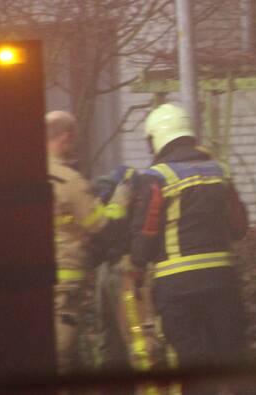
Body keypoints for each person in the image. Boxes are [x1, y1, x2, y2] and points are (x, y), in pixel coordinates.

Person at [127, 103, 248, 394]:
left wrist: (136, 265)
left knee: (188, 363)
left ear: (157, 138)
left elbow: (147, 230)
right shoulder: (220, 172)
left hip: (177, 285)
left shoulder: (156, 177)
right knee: (230, 360)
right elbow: (239, 225)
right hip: (222, 281)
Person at [47, 110, 128, 374]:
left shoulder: (21, 174)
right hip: (64, 287)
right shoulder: (68, 181)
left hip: (28, 285)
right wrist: (119, 201)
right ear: (66, 137)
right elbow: (100, 226)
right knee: (61, 357)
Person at [90, 166, 163, 394]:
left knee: (110, 347)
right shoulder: (136, 189)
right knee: (141, 345)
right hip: (126, 272)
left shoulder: (100, 194)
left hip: (107, 269)